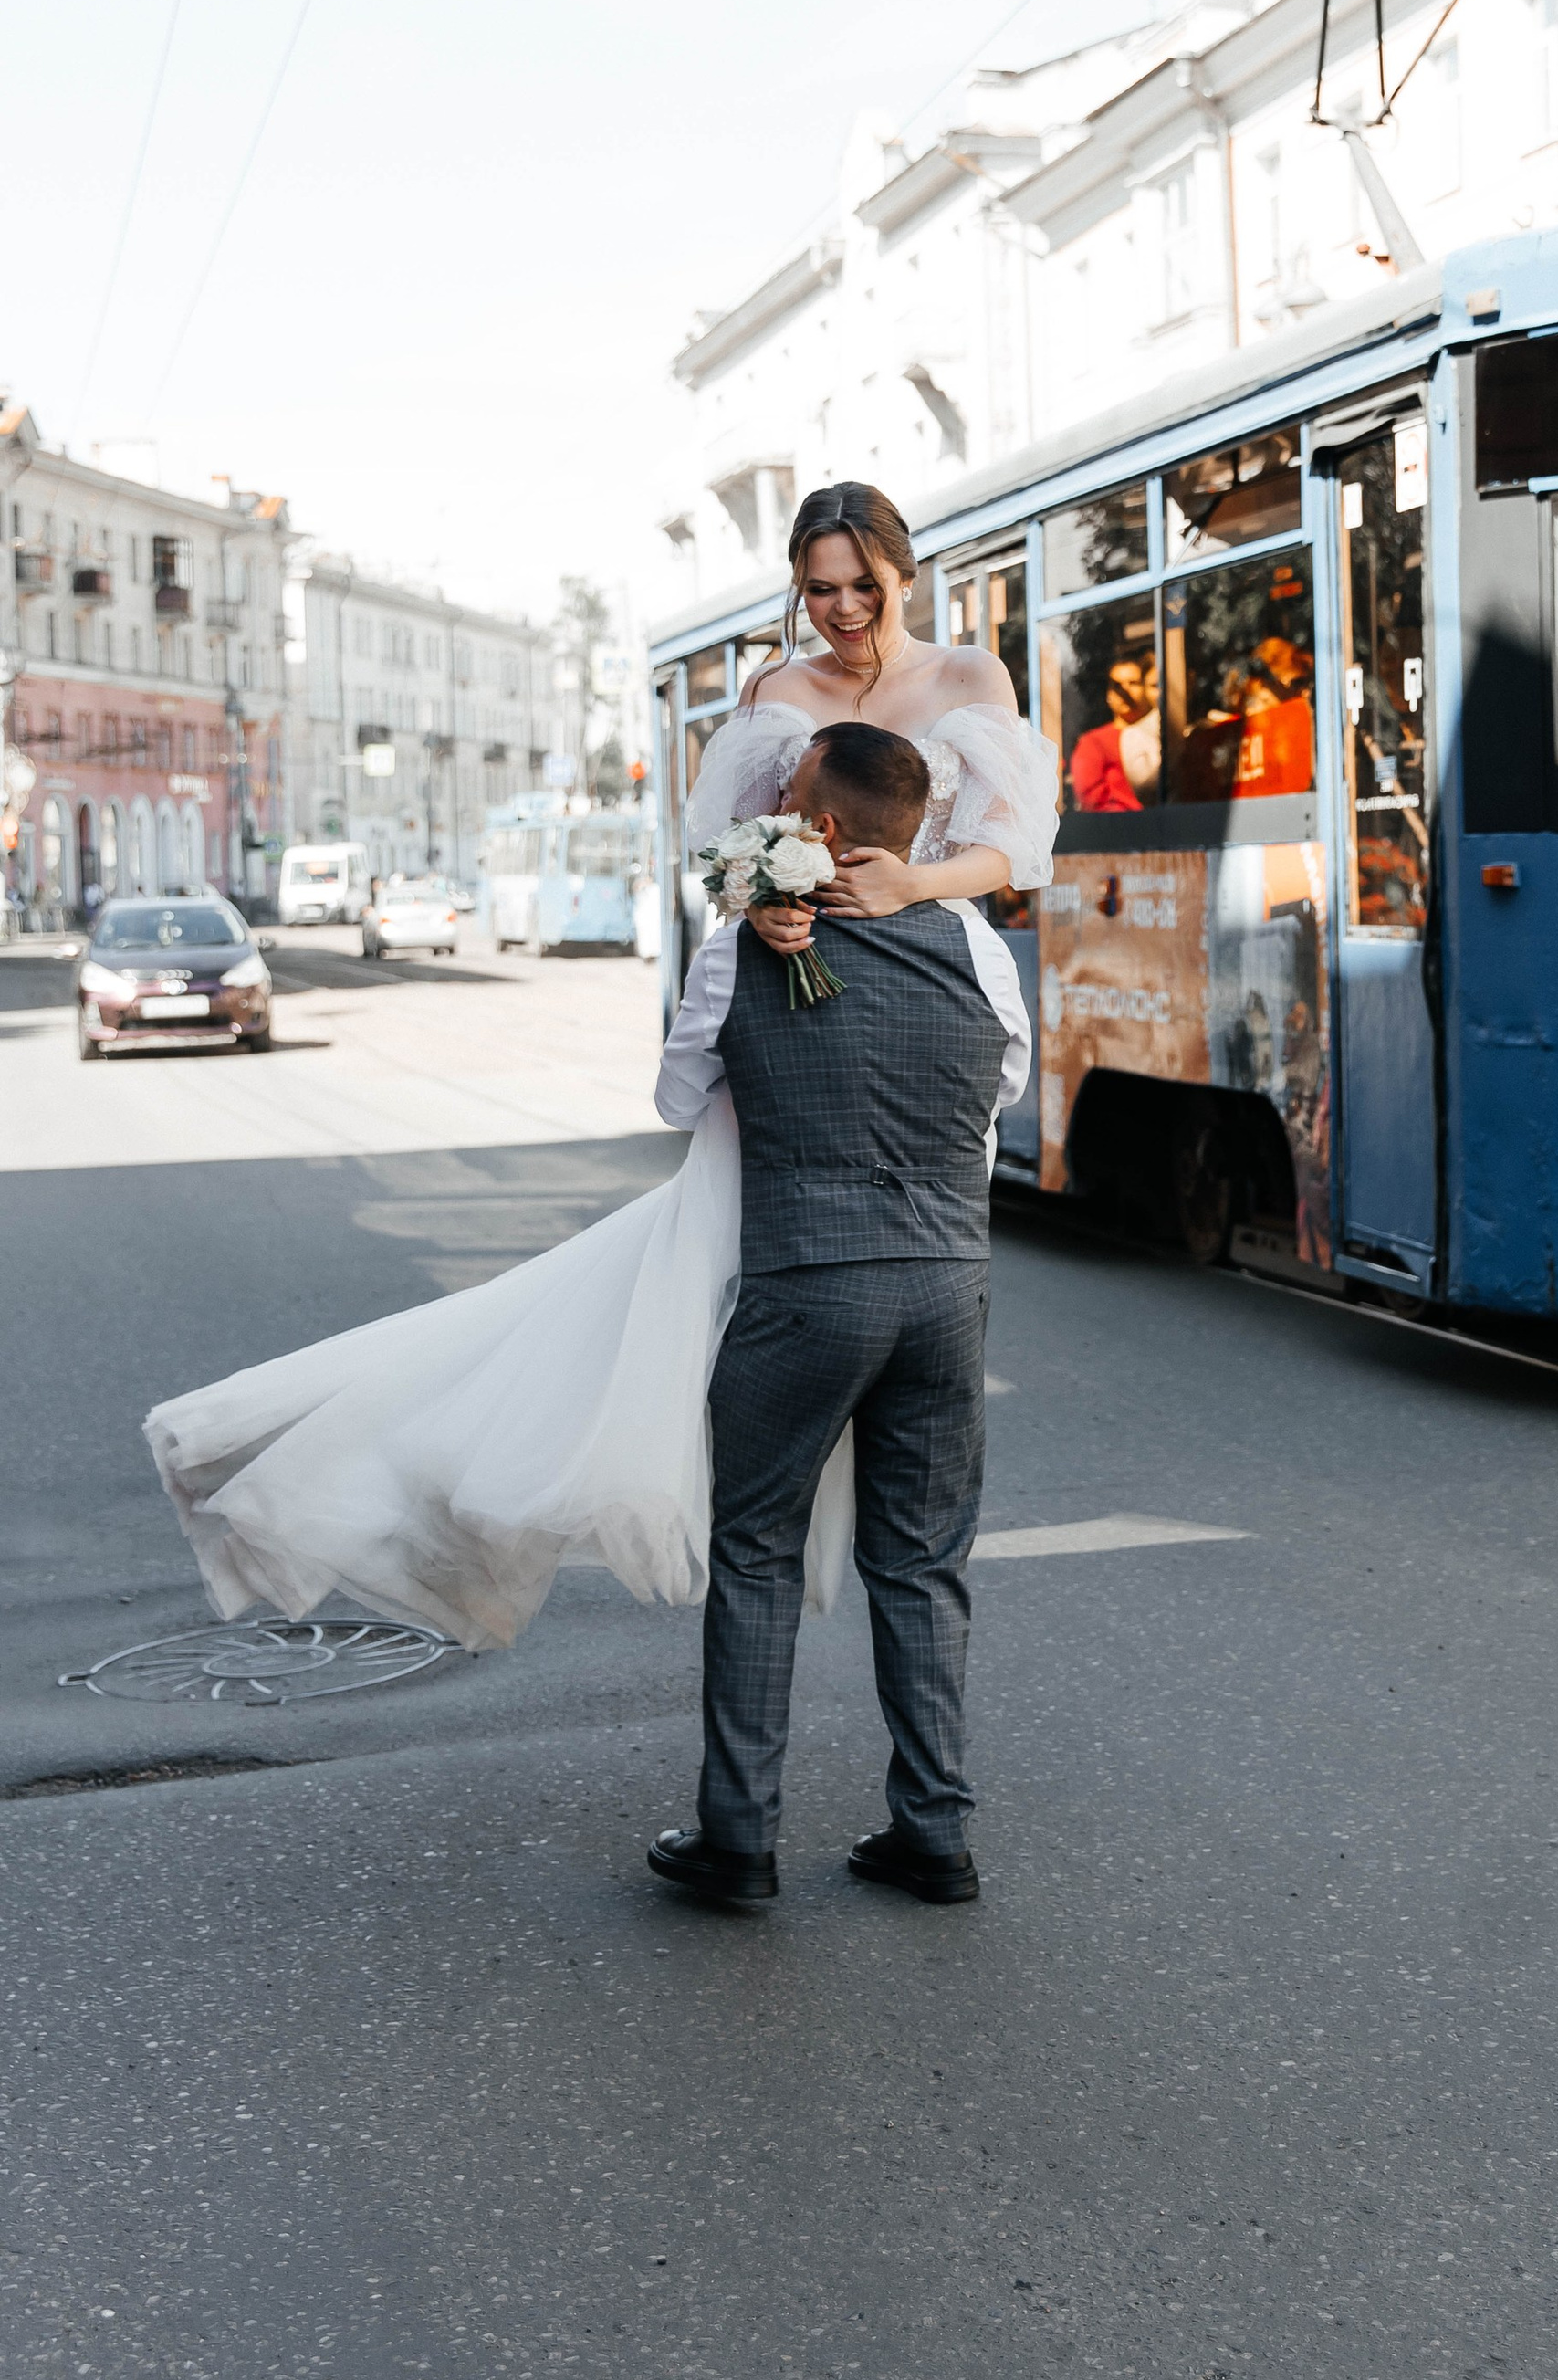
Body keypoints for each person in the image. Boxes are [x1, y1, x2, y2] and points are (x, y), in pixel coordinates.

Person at [144, 481, 1059, 1702]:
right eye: (817, 589)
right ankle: (411, 1480)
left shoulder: (971, 684)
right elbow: (727, 864)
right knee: (716, 1312)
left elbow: (1017, 851)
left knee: (817, 1311)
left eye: (862, 584)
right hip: (795, 1010)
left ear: (905, 569)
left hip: (920, 986)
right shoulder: (776, 700)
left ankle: (768, 1766)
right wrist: (769, 906)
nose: (841, 610)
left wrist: (913, 881)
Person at [645, 721, 1029, 1913]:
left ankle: (739, 1841)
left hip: (807, 1287)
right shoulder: (973, 943)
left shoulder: (740, 950)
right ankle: (934, 1833)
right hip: (947, 1289)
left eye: (790, 792)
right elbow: (1001, 1086)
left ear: (816, 828)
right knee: (920, 1562)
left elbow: (674, 1099)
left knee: (756, 1549)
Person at [1066, 653, 1158, 812]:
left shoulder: (1161, 734)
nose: (1125, 690)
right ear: (1108, 694)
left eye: (1133, 683)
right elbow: (1093, 800)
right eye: (1117, 685)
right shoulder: (1092, 743)